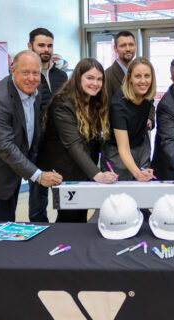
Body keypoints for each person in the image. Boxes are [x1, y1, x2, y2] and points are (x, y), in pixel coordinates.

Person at [0, 50, 62, 222]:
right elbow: (5, 146)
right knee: (3, 227)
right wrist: (38, 175)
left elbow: (32, 130)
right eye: (25, 72)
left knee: (10, 222)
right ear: (13, 71)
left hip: (14, 167)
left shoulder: (36, 90)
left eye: (35, 73)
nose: (31, 78)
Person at [38, 58, 117, 222]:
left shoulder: (95, 101)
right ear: (78, 78)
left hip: (82, 166)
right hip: (64, 168)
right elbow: (73, 144)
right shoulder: (63, 104)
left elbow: (97, 140)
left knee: (80, 215)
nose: (95, 83)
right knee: (69, 217)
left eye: (99, 79)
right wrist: (97, 174)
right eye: (90, 78)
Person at [27, 27, 69, 223]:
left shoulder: (61, 77)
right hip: (36, 148)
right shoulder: (28, 78)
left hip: (60, 146)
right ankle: (38, 238)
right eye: (41, 45)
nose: (46, 49)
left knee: (65, 197)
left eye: (49, 45)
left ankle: (63, 231)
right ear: (30, 46)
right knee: (37, 201)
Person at [101, 57, 155, 182]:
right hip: (117, 154)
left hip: (140, 147)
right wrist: (137, 173)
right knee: (121, 196)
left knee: (143, 191)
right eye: (138, 76)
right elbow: (123, 148)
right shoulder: (118, 104)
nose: (143, 81)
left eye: (147, 76)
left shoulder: (147, 97)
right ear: (130, 77)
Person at [104, 31, 154, 129]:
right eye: (123, 45)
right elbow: (105, 109)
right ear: (115, 48)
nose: (128, 49)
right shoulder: (107, 76)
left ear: (135, 46)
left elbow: (149, 99)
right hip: (119, 135)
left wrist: (150, 119)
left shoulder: (143, 72)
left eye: (131, 45)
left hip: (141, 135)